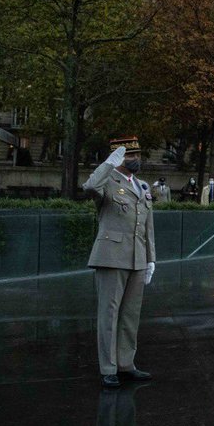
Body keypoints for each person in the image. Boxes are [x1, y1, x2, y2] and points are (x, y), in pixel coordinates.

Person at [82, 136, 156, 388]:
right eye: (130, 156)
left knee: (130, 315)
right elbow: (89, 187)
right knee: (109, 314)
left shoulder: (142, 186)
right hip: (111, 256)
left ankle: (126, 364)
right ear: (119, 158)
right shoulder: (108, 182)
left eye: (137, 155)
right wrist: (107, 165)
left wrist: (151, 259)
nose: (136, 159)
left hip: (137, 257)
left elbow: (148, 227)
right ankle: (108, 367)